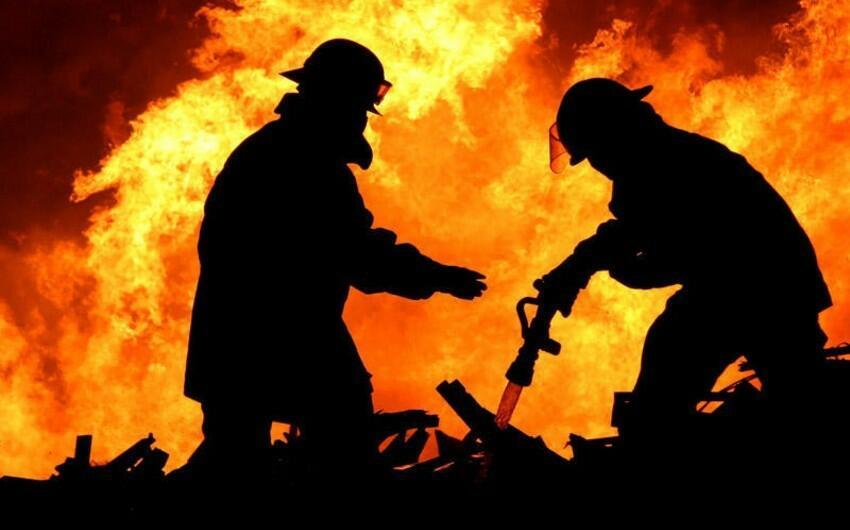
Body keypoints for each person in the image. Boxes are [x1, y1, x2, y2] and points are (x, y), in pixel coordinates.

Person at [180, 39, 486, 484]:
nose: (362, 120)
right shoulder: (304, 162)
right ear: (336, 101)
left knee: (233, 459)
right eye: (359, 107)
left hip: (237, 333)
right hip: (284, 328)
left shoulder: (275, 149)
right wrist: (435, 276)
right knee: (340, 438)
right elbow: (354, 250)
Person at [535, 78, 831, 428]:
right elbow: (631, 234)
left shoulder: (661, 163)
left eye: (593, 154)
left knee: (660, 405)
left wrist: (622, 272)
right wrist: (576, 268)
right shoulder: (661, 155)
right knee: (795, 400)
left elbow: (682, 249)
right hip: (763, 289)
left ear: (611, 133)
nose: (597, 166)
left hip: (756, 291)